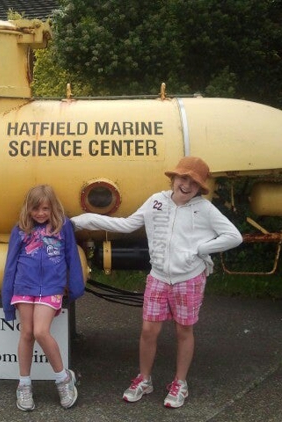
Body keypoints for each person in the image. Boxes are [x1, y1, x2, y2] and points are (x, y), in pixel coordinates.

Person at [71, 156, 242, 408]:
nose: (186, 185)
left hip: (189, 279)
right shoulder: (156, 201)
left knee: (184, 331)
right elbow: (127, 225)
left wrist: (199, 250)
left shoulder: (204, 209)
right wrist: (80, 221)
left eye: (193, 182)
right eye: (183, 178)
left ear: (199, 188)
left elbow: (233, 236)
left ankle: (180, 382)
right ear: (173, 178)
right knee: (149, 331)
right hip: (159, 277)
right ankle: (144, 378)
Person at [2, 184, 85, 411]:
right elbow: (11, 264)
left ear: (53, 208)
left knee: (40, 331)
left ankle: (63, 379)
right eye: (35, 209)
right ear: (28, 209)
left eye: (45, 209)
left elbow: (71, 256)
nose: (40, 214)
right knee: (27, 333)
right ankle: (24, 384)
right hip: (23, 286)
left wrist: (75, 286)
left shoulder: (63, 226)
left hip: (51, 286)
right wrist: (6, 299)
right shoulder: (20, 229)